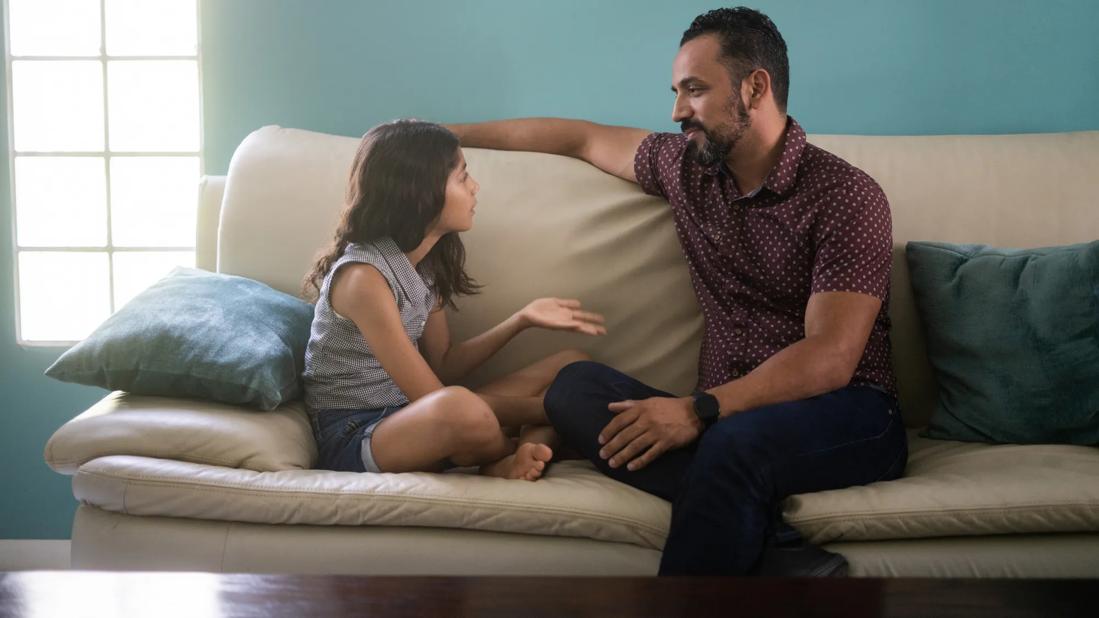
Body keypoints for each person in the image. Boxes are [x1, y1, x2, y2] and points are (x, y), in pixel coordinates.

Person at [446, 7, 907, 575]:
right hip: (724, 418)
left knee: (731, 446)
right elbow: (578, 138)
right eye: (676, 91)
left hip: (849, 413)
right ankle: (781, 554)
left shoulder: (846, 195)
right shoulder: (684, 166)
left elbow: (831, 358)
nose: (675, 111)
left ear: (754, 87)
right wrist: (441, 135)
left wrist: (698, 410)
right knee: (573, 389)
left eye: (694, 90)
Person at [302, 119, 605, 481]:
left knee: (572, 366)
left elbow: (444, 364)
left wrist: (521, 319)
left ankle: (522, 450)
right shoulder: (363, 278)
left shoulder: (425, 264)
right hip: (358, 434)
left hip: (410, 414)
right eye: (462, 177)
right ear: (420, 191)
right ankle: (503, 456)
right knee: (459, 408)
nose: (475, 188)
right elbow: (431, 397)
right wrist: (552, 410)